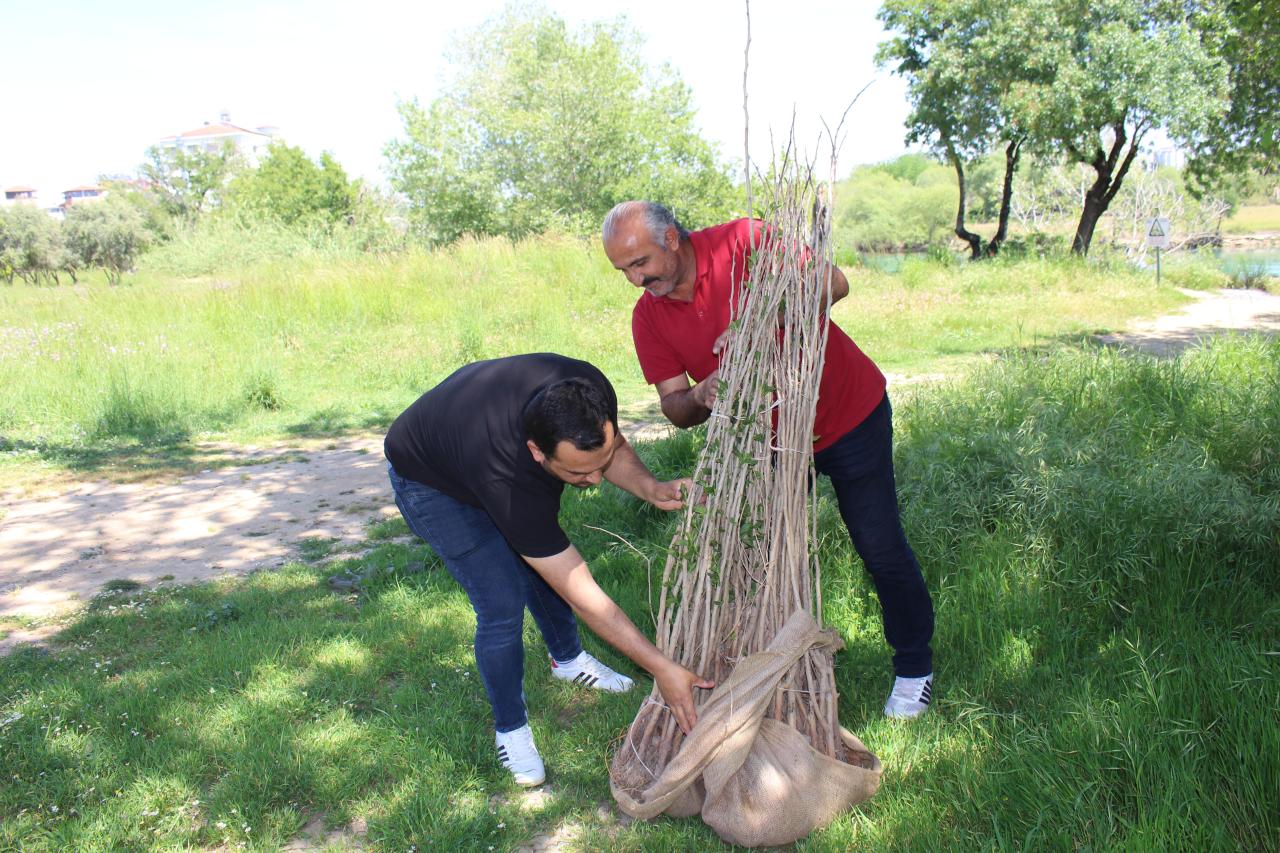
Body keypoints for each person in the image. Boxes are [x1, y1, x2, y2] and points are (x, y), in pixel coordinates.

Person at [601, 201, 936, 719]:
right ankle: (780, 668)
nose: (634, 279)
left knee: (880, 545)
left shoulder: (743, 241)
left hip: (848, 414)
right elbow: (674, 406)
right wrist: (702, 395)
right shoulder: (648, 317)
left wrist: (761, 325)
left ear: (671, 239)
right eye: (623, 270)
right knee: (771, 558)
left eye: (639, 263)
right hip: (766, 445)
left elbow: (835, 282)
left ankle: (915, 669)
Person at [384, 352, 713, 787]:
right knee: (502, 600)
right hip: (430, 480)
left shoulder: (586, 390)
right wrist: (660, 666)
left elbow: (609, 449)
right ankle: (511, 730)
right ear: (537, 452)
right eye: (580, 473)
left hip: (471, 431)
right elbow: (581, 591)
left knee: (538, 553)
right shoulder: (507, 477)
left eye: (600, 466)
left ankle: (569, 659)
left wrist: (650, 487)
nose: (595, 483)